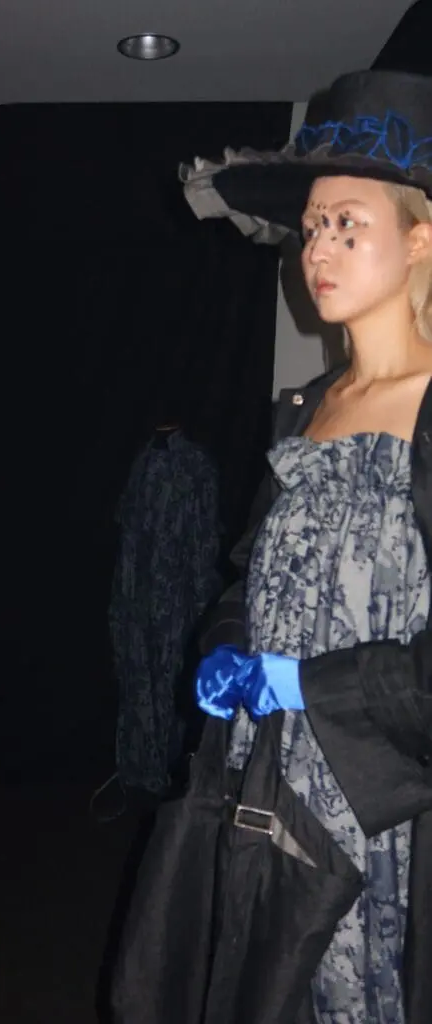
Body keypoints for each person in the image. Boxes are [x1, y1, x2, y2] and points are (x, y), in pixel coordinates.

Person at [112, 71, 432, 1024]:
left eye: (348, 224)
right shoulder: (306, 408)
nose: (317, 251)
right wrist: (225, 647)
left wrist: (306, 685)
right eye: (310, 228)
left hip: (383, 810)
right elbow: (250, 577)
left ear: (420, 239)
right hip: (264, 784)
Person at [102, 415, 219, 812]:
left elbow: (204, 542)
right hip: (135, 599)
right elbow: (127, 533)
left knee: (171, 691)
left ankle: (170, 785)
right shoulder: (140, 459)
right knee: (137, 686)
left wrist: (203, 612)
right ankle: (137, 776)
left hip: (177, 605)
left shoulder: (195, 466)